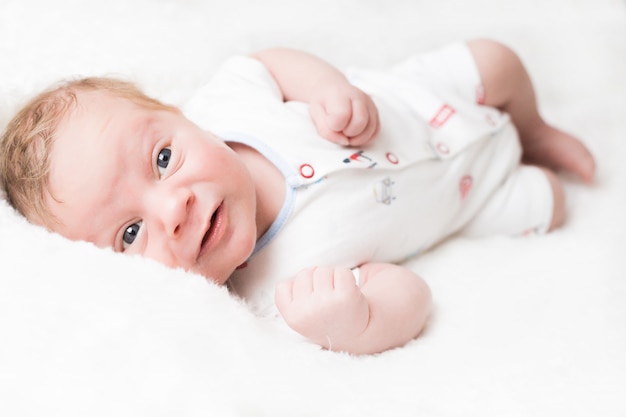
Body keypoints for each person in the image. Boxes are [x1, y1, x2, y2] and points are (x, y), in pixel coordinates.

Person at [0, 39, 595, 355]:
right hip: (471, 197)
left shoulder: (226, 104)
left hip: (424, 99)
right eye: (130, 235)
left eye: (163, 159)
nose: (172, 209)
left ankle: (537, 131)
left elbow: (269, 63)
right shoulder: (277, 296)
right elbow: (408, 295)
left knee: (495, 60)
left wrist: (326, 87)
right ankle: (533, 165)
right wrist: (355, 321)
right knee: (550, 203)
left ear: (183, 117)